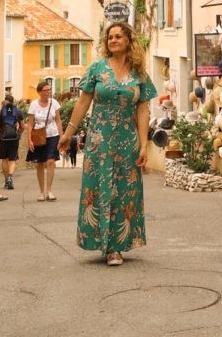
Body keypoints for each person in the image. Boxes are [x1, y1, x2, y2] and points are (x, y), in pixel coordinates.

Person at [58, 22, 156, 266]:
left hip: (127, 139)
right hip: (99, 140)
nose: (113, 40)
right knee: (100, 188)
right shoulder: (97, 68)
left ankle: (117, 247)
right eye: (110, 37)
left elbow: (143, 110)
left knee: (124, 192)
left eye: (118, 36)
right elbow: (82, 103)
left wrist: (144, 145)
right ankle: (102, 243)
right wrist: (68, 132)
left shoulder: (139, 73)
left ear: (128, 41)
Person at [26, 80, 62, 201]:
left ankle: (49, 191)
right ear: (39, 92)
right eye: (46, 90)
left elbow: (58, 121)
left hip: (53, 135)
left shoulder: (54, 103)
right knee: (40, 163)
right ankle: (41, 192)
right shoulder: (33, 105)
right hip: (39, 136)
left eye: (49, 90)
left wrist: (62, 137)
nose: (48, 92)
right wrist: (29, 140)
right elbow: (30, 124)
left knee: (51, 161)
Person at [0, 94, 24, 190]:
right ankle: (10, 177)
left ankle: (6, 180)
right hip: (14, 138)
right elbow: (23, 127)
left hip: (3, 139)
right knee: (12, 159)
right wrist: (18, 134)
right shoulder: (18, 112)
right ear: (13, 102)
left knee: (4, 159)